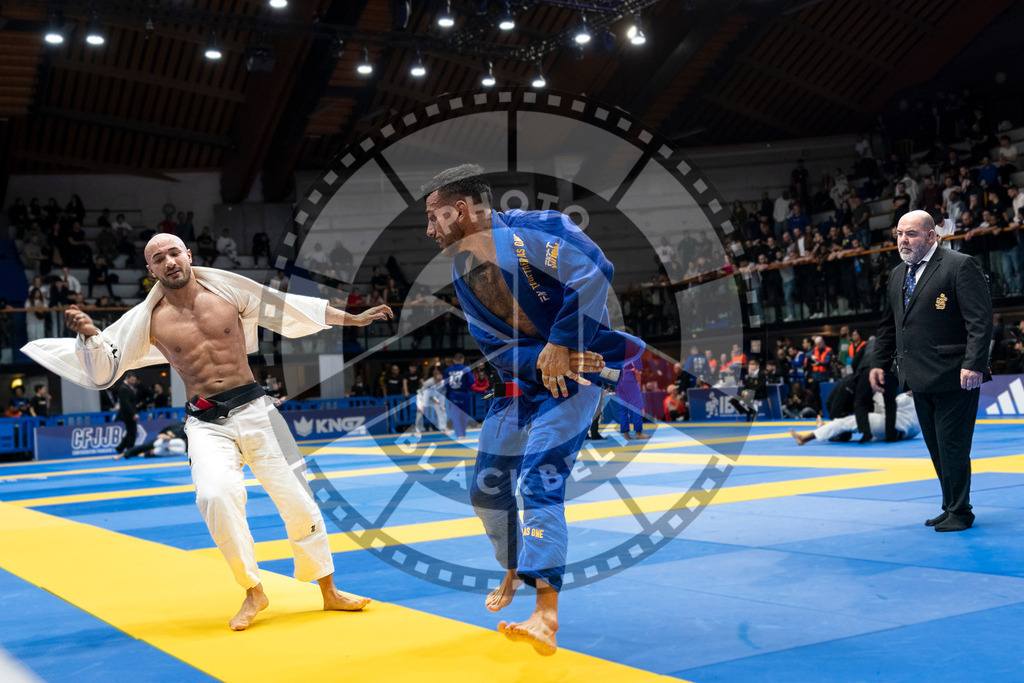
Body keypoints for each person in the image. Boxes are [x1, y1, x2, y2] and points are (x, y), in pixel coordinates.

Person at [23, 233, 392, 630]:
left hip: (256, 410)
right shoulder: (149, 321)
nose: (168, 261)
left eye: (173, 253)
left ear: (188, 255)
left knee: (299, 500)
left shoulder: (229, 294)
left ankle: (329, 591)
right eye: (158, 258)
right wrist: (89, 335)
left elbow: (285, 309)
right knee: (215, 496)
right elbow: (104, 367)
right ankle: (253, 590)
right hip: (204, 422)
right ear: (150, 270)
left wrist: (350, 318)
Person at [423, 164, 643, 656]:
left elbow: (594, 271)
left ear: (461, 210)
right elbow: (494, 348)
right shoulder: (464, 272)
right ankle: (514, 568)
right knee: (485, 490)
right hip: (521, 382)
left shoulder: (538, 230)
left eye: (435, 217)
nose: (430, 230)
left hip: (580, 371)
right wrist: (544, 356)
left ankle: (547, 612)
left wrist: (563, 344)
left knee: (540, 475)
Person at [869, 210, 992, 532]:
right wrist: (878, 363)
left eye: (911, 234)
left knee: (952, 445)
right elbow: (889, 326)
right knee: (936, 446)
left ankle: (961, 512)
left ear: (930, 236)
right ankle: (950, 505)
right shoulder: (898, 274)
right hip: (919, 375)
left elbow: (980, 321)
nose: (903, 240)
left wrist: (974, 364)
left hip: (955, 374)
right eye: (898, 234)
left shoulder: (959, 265)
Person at [791, 391, 920, 445]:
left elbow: (885, 407)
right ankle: (823, 428)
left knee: (848, 422)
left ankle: (805, 438)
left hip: (890, 425)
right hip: (897, 432)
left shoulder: (907, 398)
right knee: (848, 426)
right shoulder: (922, 405)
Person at [115, 421, 188, 459]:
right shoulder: (177, 426)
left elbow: (161, 432)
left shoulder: (181, 427)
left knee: (149, 449)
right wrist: (166, 435)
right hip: (166, 440)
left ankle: (147, 454)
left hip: (172, 442)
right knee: (145, 447)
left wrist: (170, 435)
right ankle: (124, 454)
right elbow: (162, 432)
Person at [443, 353, 472, 438]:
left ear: (454, 360)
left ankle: (459, 434)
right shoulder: (465, 369)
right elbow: (471, 381)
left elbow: (446, 383)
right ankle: (463, 433)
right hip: (463, 393)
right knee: (464, 414)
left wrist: (448, 394)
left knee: (455, 415)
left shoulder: (448, 370)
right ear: (462, 360)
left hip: (453, 394)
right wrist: (465, 387)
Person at [617, 357, 646, 438]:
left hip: (618, 379)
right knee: (637, 405)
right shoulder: (634, 348)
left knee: (622, 408)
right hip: (629, 377)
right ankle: (638, 432)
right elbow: (638, 369)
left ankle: (626, 434)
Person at [114, 372, 141, 457]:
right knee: (132, 431)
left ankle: (120, 448)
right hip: (127, 414)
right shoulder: (123, 388)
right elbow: (126, 402)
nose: (133, 381)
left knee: (131, 431)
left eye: (134, 380)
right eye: (132, 379)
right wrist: (133, 413)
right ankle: (130, 449)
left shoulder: (129, 387)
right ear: (127, 378)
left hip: (129, 413)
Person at [414, 367, 446, 434]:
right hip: (421, 396)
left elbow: (442, 395)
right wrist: (423, 406)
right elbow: (424, 395)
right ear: (434, 379)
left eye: (440, 380)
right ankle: (419, 429)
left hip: (432, 397)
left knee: (442, 410)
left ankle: (443, 427)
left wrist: (442, 405)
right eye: (438, 380)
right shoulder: (428, 383)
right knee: (420, 411)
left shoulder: (443, 384)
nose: (439, 381)